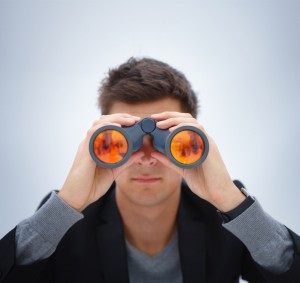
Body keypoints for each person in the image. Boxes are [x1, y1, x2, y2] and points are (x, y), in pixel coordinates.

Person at [0, 57, 300, 283]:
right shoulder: (67, 219)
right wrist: (67, 204)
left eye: (166, 140)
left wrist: (230, 202)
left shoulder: (223, 214)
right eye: (123, 140)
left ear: (195, 136)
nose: (145, 157)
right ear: (98, 138)